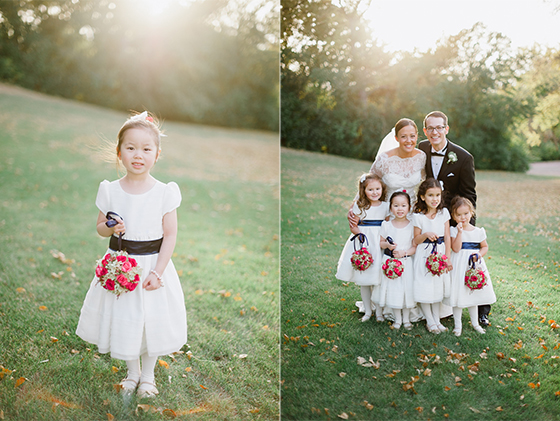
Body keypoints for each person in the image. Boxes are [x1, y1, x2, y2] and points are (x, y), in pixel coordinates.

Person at [76, 111, 187, 398]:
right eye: (131, 147)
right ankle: (132, 372)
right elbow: (100, 227)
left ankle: (148, 376)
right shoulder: (110, 190)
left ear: (157, 154)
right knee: (125, 317)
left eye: (146, 149)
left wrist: (158, 272)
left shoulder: (164, 192)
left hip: (151, 265)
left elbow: (170, 234)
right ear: (119, 152)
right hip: (121, 266)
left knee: (151, 320)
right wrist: (111, 226)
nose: (138, 155)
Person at [416, 111, 488, 327]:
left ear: (446, 129)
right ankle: (431, 302)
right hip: (427, 216)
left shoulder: (463, 157)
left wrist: (467, 229)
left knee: (469, 260)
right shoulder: (420, 149)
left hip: (453, 218)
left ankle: (483, 309)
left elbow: (469, 195)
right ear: (425, 130)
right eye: (431, 128)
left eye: (440, 127)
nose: (435, 132)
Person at [336, 173, 389, 322]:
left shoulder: (385, 206)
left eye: (377, 189)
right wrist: (360, 235)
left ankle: (379, 312)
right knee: (364, 278)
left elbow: (387, 225)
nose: (374, 192)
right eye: (370, 189)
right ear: (363, 191)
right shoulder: (360, 206)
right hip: (364, 243)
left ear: (382, 189)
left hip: (379, 244)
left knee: (378, 278)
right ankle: (367, 310)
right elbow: (353, 226)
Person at [447, 197, 496, 336]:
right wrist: (460, 233)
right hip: (459, 264)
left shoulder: (478, 231)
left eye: (466, 214)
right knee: (458, 294)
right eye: (459, 215)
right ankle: (458, 325)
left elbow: (485, 247)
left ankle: (475, 323)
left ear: (471, 213)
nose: (463, 217)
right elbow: (455, 249)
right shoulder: (454, 230)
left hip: (474, 265)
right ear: (454, 216)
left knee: (473, 294)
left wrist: (479, 255)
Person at [412, 178, 452, 334]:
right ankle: (429, 320)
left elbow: (447, 236)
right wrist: (425, 234)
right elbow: (415, 240)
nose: (435, 199)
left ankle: (437, 319)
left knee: (437, 288)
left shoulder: (444, 213)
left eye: (437, 195)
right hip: (424, 254)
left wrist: (447, 257)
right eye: (430, 195)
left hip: (440, 253)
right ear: (422, 197)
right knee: (425, 286)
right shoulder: (418, 216)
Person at [378, 191, 417, 330]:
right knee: (394, 290)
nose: (399, 209)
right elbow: (381, 243)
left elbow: (415, 247)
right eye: (396, 205)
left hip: (406, 262)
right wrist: (388, 246)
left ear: (409, 207)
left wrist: (404, 252)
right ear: (390, 208)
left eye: (403, 205)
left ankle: (406, 319)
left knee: (406, 291)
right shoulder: (386, 225)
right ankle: (397, 319)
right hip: (390, 262)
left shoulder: (412, 225)